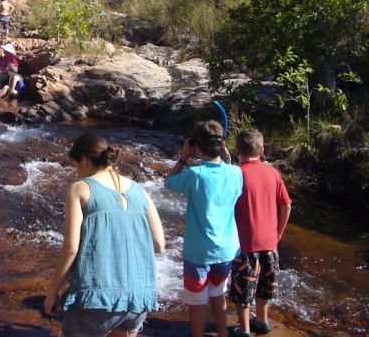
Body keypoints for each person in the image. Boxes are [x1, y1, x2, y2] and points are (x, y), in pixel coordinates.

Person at [44, 133, 165, 337]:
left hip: (97, 299)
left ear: (83, 160)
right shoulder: (140, 190)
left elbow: (71, 247)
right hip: (137, 300)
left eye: (76, 166)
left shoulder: (80, 188)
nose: (77, 172)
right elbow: (159, 244)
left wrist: (53, 291)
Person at [165, 120, 243, 337]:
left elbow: (169, 183)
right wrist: (227, 159)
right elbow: (230, 181)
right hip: (226, 250)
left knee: (196, 301)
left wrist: (183, 158)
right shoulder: (236, 173)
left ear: (195, 147)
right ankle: (222, 333)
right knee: (218, 294)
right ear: (223, 145)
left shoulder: (195, 174)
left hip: (199, 251)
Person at [229, 128, 292, 337]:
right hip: (270, 242)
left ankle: (244, 329)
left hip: (246, 244)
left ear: (238, 149)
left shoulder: (237, 174)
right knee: (266, 285)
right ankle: (262, 321)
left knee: (242, 290)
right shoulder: (273, 173)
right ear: (262, 150)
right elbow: (286, 205)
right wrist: (278, 232)